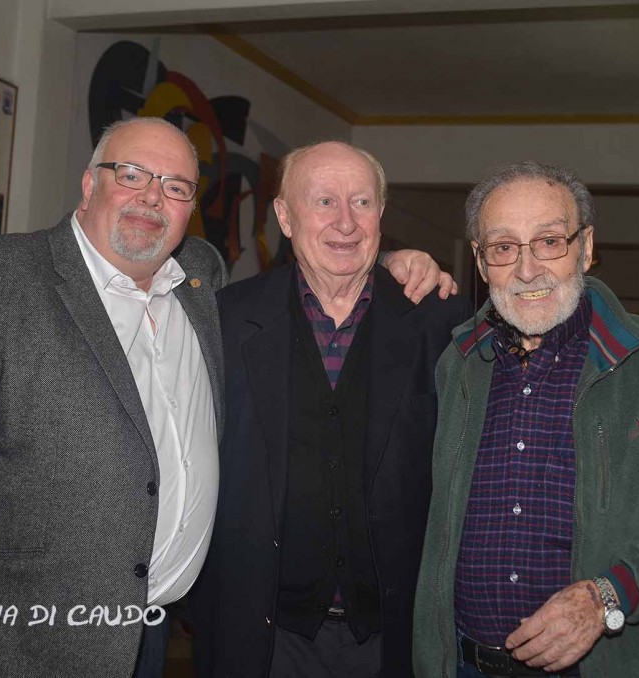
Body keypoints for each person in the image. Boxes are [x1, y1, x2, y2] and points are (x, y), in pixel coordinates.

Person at [0, 119, 450, 678]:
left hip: (155, 628)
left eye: (174, 187)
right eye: (131, 175)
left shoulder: (200, 283)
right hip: (32, 638)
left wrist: (399, 263)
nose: (152, 198)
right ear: (88, 183)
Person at [413, 162, 639, 678]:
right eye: (503, 248)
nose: (527, 270)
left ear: (585, 247)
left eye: (549, 241)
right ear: (481, 263)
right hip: (466, 663)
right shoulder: (456, 365)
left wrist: (604, 597)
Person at [192, 141, 472, 678]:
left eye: (361, 203)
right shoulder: (224, 321)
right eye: (323, 201)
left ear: (381, 215)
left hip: (398, 636)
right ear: (284, 216)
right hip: (262, 635)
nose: (345, 222)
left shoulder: (440, 322)